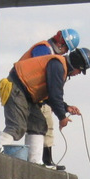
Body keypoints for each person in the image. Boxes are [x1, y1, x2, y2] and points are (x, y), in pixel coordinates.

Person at [0, 46, 90, 165]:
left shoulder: (60, 66)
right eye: (80, 70)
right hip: (17, 88)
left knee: (38, 124)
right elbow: (55, 95)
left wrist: (66, 107)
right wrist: (62, 117)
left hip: (28, 95)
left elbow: (50, 96)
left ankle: (35, 162)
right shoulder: (58, 66)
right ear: (77, 65)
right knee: (16, 126)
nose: (79, 73)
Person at [17, 29, 79, 169]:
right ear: (61, 43)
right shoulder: (44, 50)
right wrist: (61, 113)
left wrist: (64, 106)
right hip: (29, 92)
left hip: (35, 93)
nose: (64, 52)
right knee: (42, 124)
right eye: (65, 48)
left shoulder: (52, 55)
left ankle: (42, 159)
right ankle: (41, 160)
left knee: (43, 126)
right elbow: (45, 79)